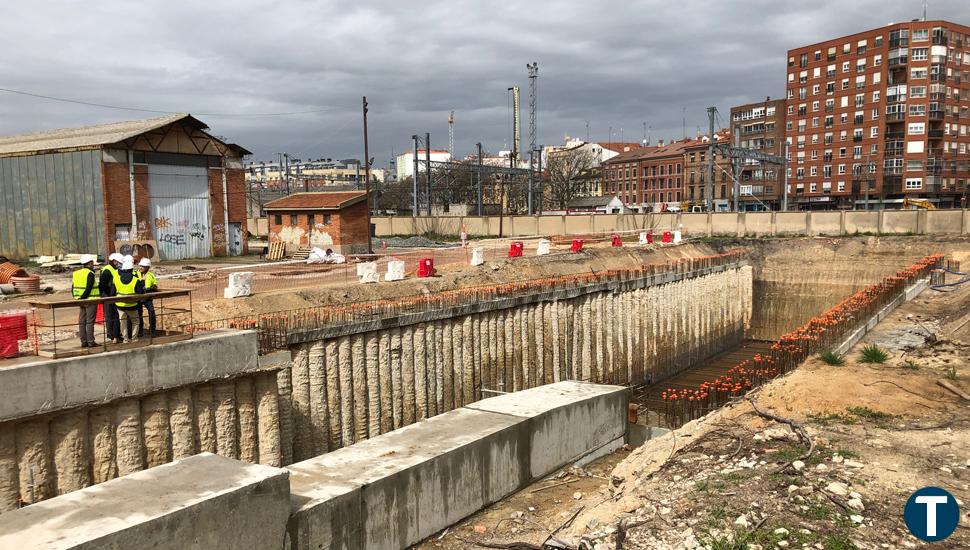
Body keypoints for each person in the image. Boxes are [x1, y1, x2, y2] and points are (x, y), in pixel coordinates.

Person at [112, 257, 145, 343]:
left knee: (123, 322)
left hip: (120, 305)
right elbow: (141, 292)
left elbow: (112, 292)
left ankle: (125, 339)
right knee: (135, 321)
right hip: (132, 305)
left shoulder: (116, 279)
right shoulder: (135, 280)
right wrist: (143, 283)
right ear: (131, 269)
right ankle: (134, 338)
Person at [71, 254, 99, 348]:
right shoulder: (90, 273)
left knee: (82, 321)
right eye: (92, 263)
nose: (93, 264)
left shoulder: (76, 273)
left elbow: (73, 287)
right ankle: (91, 342)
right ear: (90, 263)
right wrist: (84, 298)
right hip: (90, 300)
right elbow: (89, 287)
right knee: (90, 321)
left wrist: (78, 298)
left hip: (80, 300)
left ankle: (83, 342)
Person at [99, 253, 123, 344]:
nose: (119, 264)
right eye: (118, 262)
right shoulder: (107, 270)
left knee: (115, 315)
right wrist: (108, 294)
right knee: (109, 315)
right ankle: (111, 335)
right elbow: (102, 284)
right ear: (113, 261)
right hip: (108, 295)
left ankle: (115, 334)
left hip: (112, 295)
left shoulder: (114, 269)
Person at [137, 258, 157, 338]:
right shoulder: (136, 274)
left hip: (148, 297)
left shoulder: (151, 275)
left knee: (151, 312)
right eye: (140, 266)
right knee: (139, 315)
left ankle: (152, 331)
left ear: (148, 267)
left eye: (143, 266)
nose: (141, 267)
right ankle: (140, 331)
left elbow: (155, 286)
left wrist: (150, 288)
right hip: (138, 297)